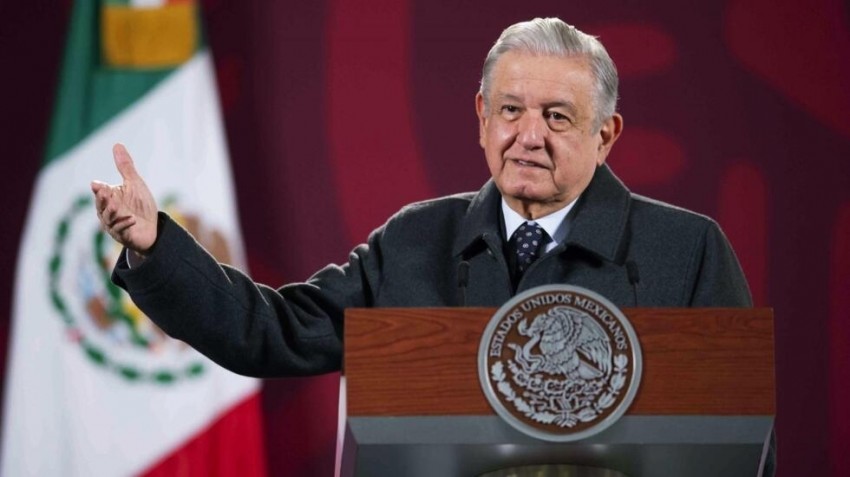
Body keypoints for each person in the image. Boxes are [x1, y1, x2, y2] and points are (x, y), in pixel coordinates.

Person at [91, 17, 752, 377]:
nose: (528, 136)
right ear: (482, 119)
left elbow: (737, 433)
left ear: (605, 135)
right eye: (510, 110)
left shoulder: (687, 250)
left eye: (556, 116)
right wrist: (155, 246)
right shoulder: (416, 240)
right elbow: (272, 332)